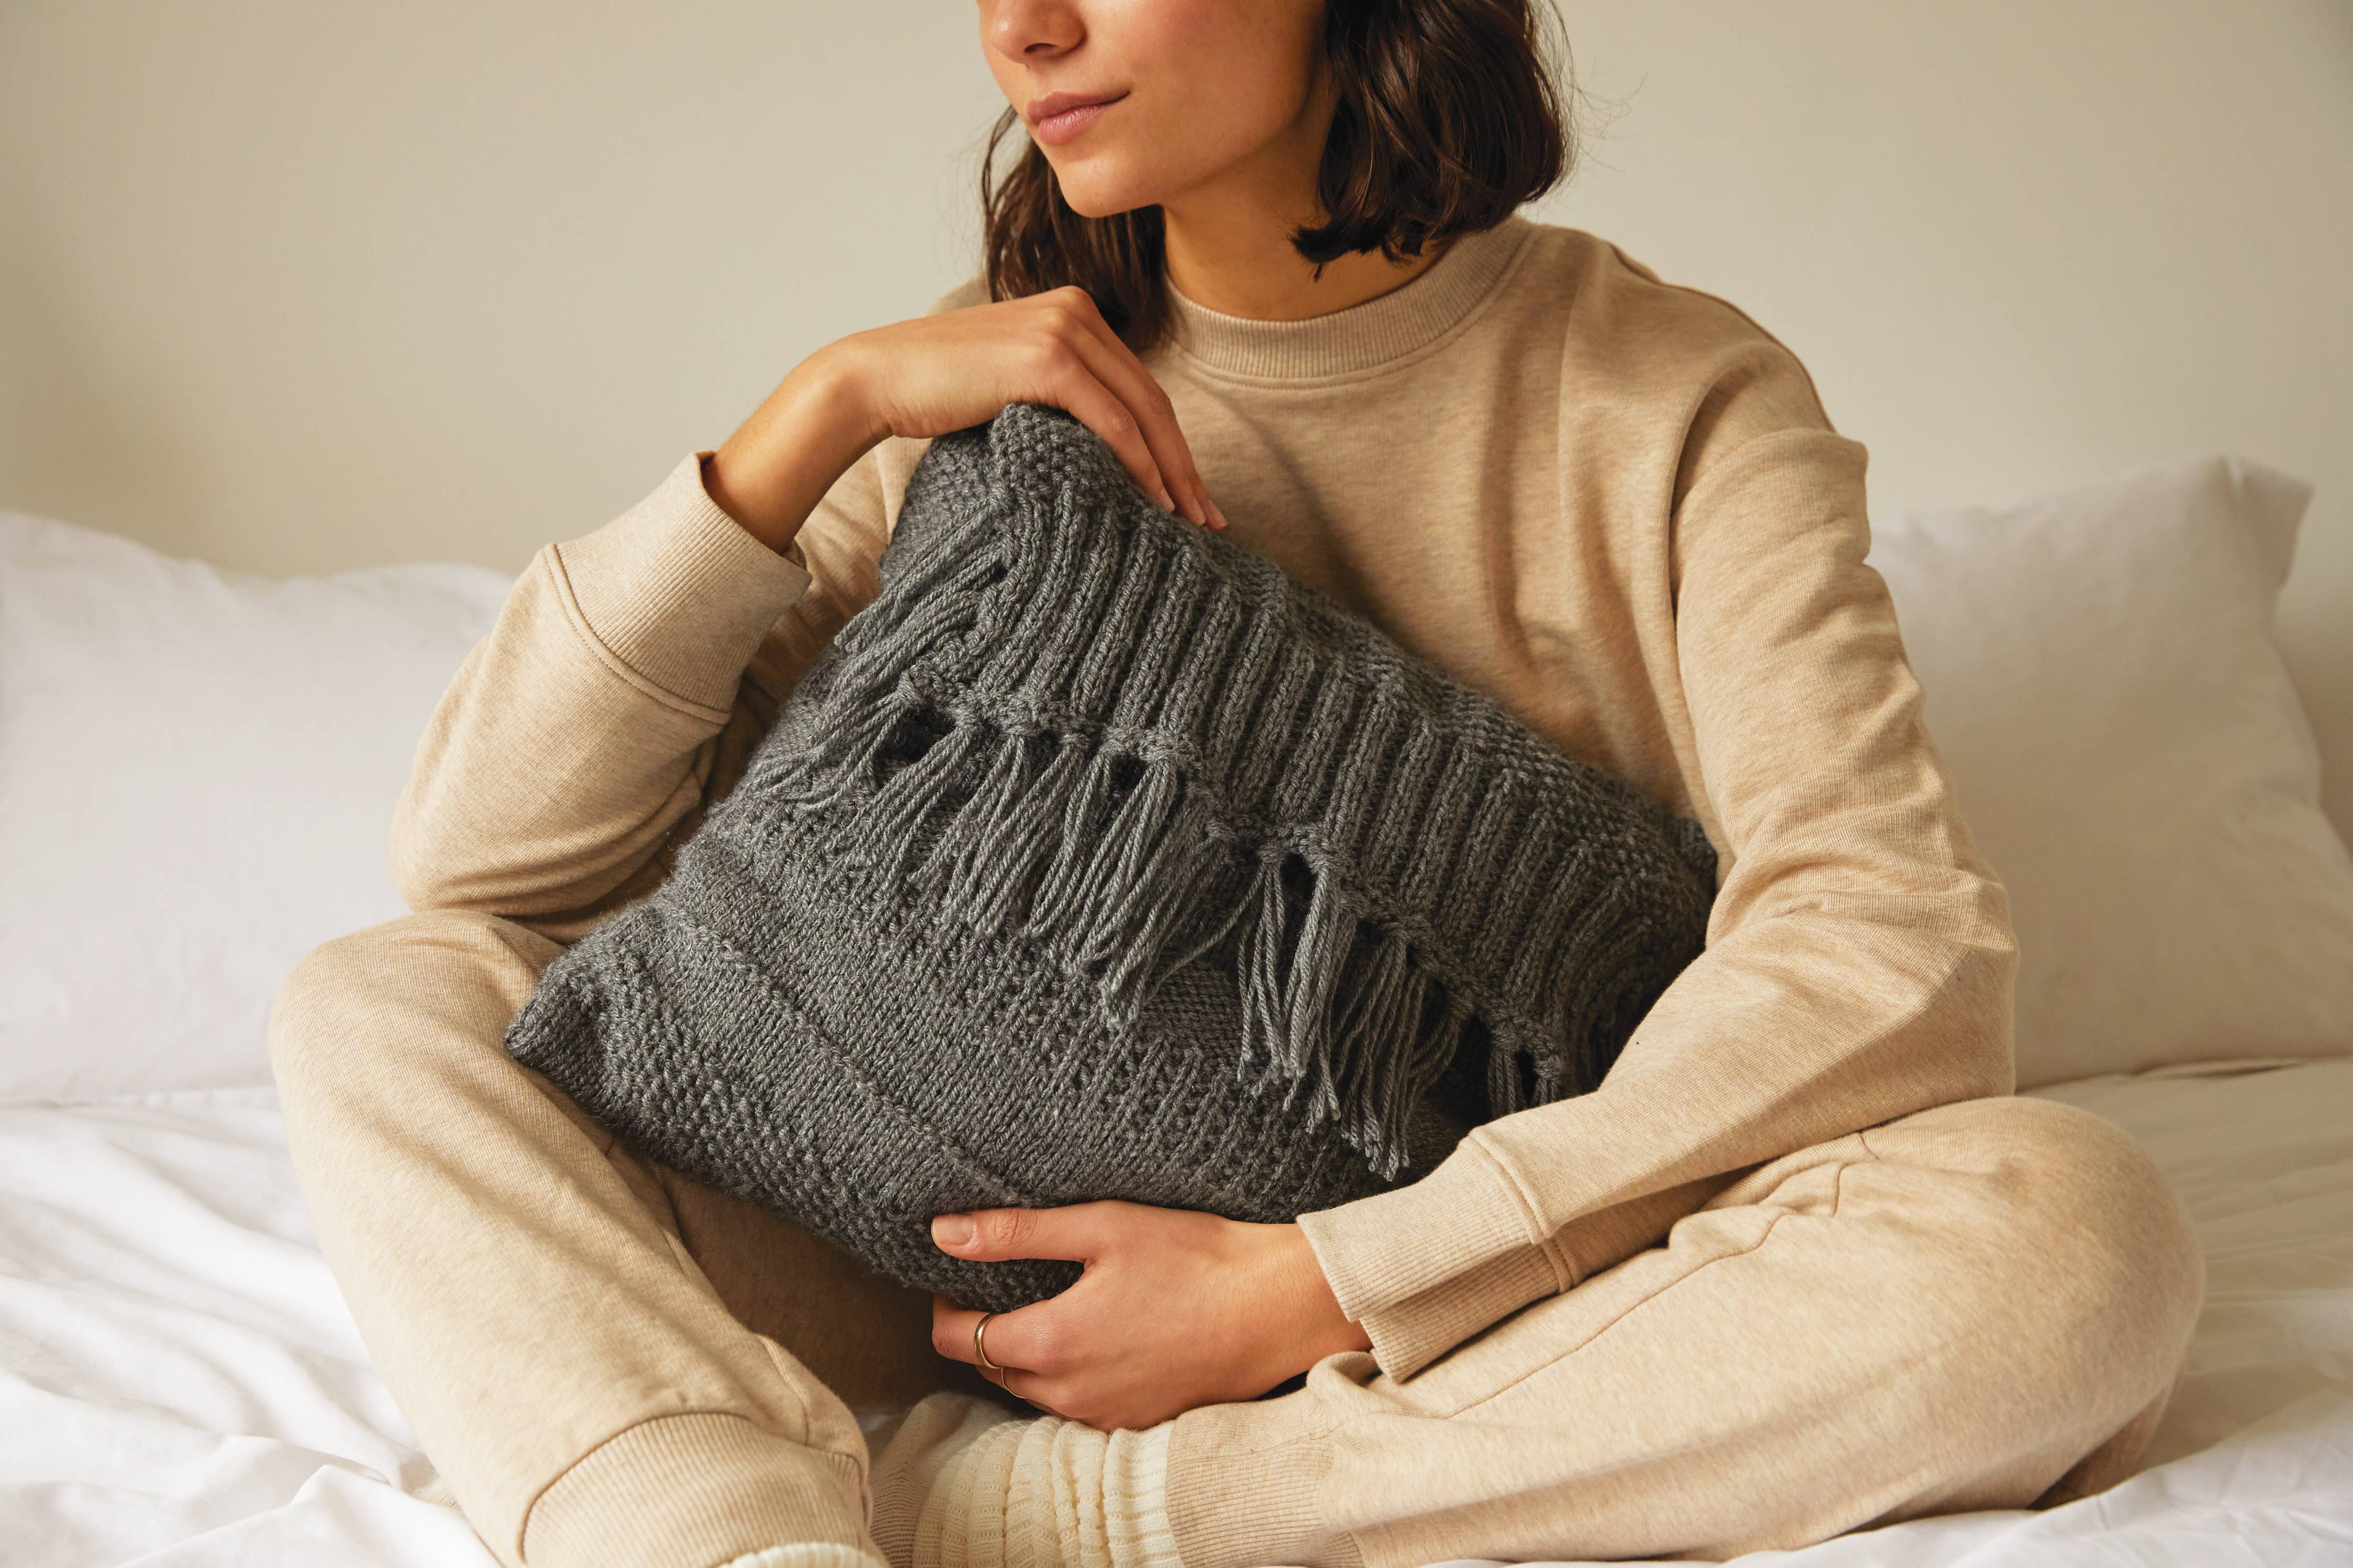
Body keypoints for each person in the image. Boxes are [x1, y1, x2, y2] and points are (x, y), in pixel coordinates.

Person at [266, 2, 2206, 1566]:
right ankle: (725, 1547)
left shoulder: (1675, 402)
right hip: (904, 1252)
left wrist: (1314, 1289)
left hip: (1446, 1322)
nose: (1021, 30)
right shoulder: (992, 393)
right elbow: (478, 861)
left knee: (2068, 1239)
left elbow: (1890, 948)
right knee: (380, 999)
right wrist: (818, 415)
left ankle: (1050, 1520)